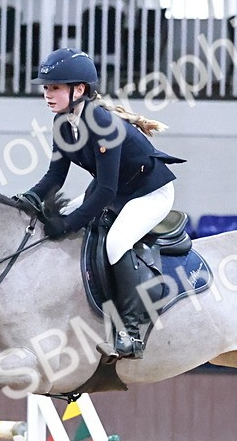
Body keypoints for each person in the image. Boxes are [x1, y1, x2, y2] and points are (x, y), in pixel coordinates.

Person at [16, 48, 185, 361]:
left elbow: (105, 192)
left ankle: (131, 332)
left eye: (54, 87)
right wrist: (28, 200)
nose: (47, 95)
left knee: (117, 242)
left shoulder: (101, 123)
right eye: (46, 88)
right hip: (117, 188)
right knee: (67, 222)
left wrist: (67, 224)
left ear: (78, 90)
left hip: (149, 193)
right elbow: (55, 176)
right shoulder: (62, 124)